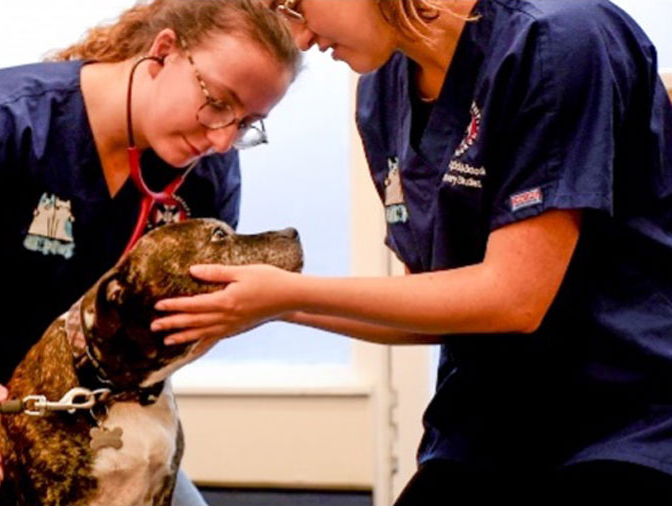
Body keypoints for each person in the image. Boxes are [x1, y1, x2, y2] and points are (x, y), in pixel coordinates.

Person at [151, 0, 672, 504]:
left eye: (294, 3)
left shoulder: (558, 39)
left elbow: (515, 297)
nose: (300, 37)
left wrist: (288, 293)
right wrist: (274, 307)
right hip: (487, 429)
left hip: (628, 423)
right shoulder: (382, 92)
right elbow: (434, 307)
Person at [0, 1, 300, 505]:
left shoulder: (207, 171)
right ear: (164, 51)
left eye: (246, 124)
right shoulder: (2, 123)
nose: (220, 139)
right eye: (217, 101)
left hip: (75, 399)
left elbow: (192, 320)